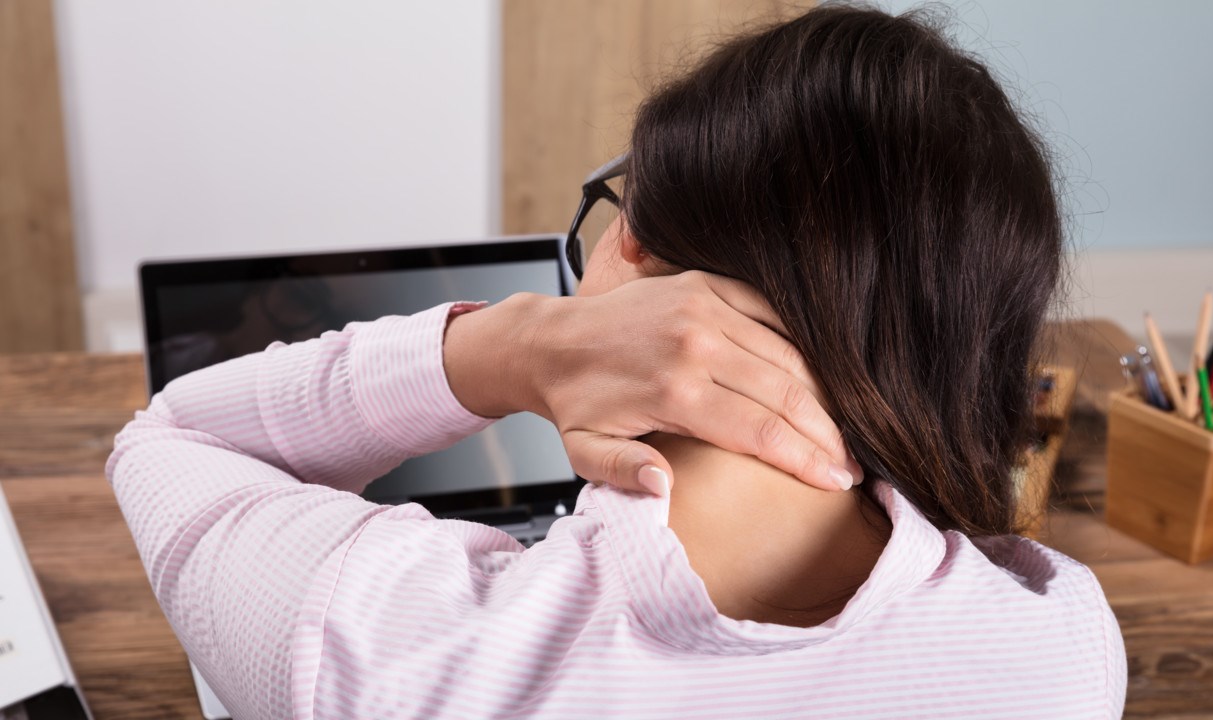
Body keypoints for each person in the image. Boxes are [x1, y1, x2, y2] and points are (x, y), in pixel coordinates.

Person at [107, 6, 1125, 718]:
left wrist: (512, 349)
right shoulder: (1060, 646)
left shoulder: (391, 652)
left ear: (630, 240)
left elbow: (174, 433)